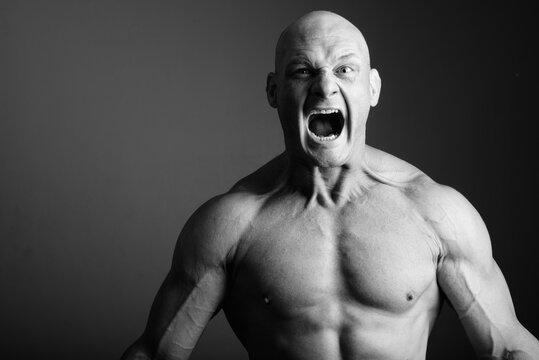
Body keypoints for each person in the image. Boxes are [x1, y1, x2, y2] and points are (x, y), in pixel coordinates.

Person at [121, 10, 539, 360]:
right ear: (273, 91)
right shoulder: (229, 225)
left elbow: (507, 348)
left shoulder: (435, 213)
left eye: (344, 69)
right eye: (303, 71)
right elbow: (155, 354)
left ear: (371, 88)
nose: (325, 86)